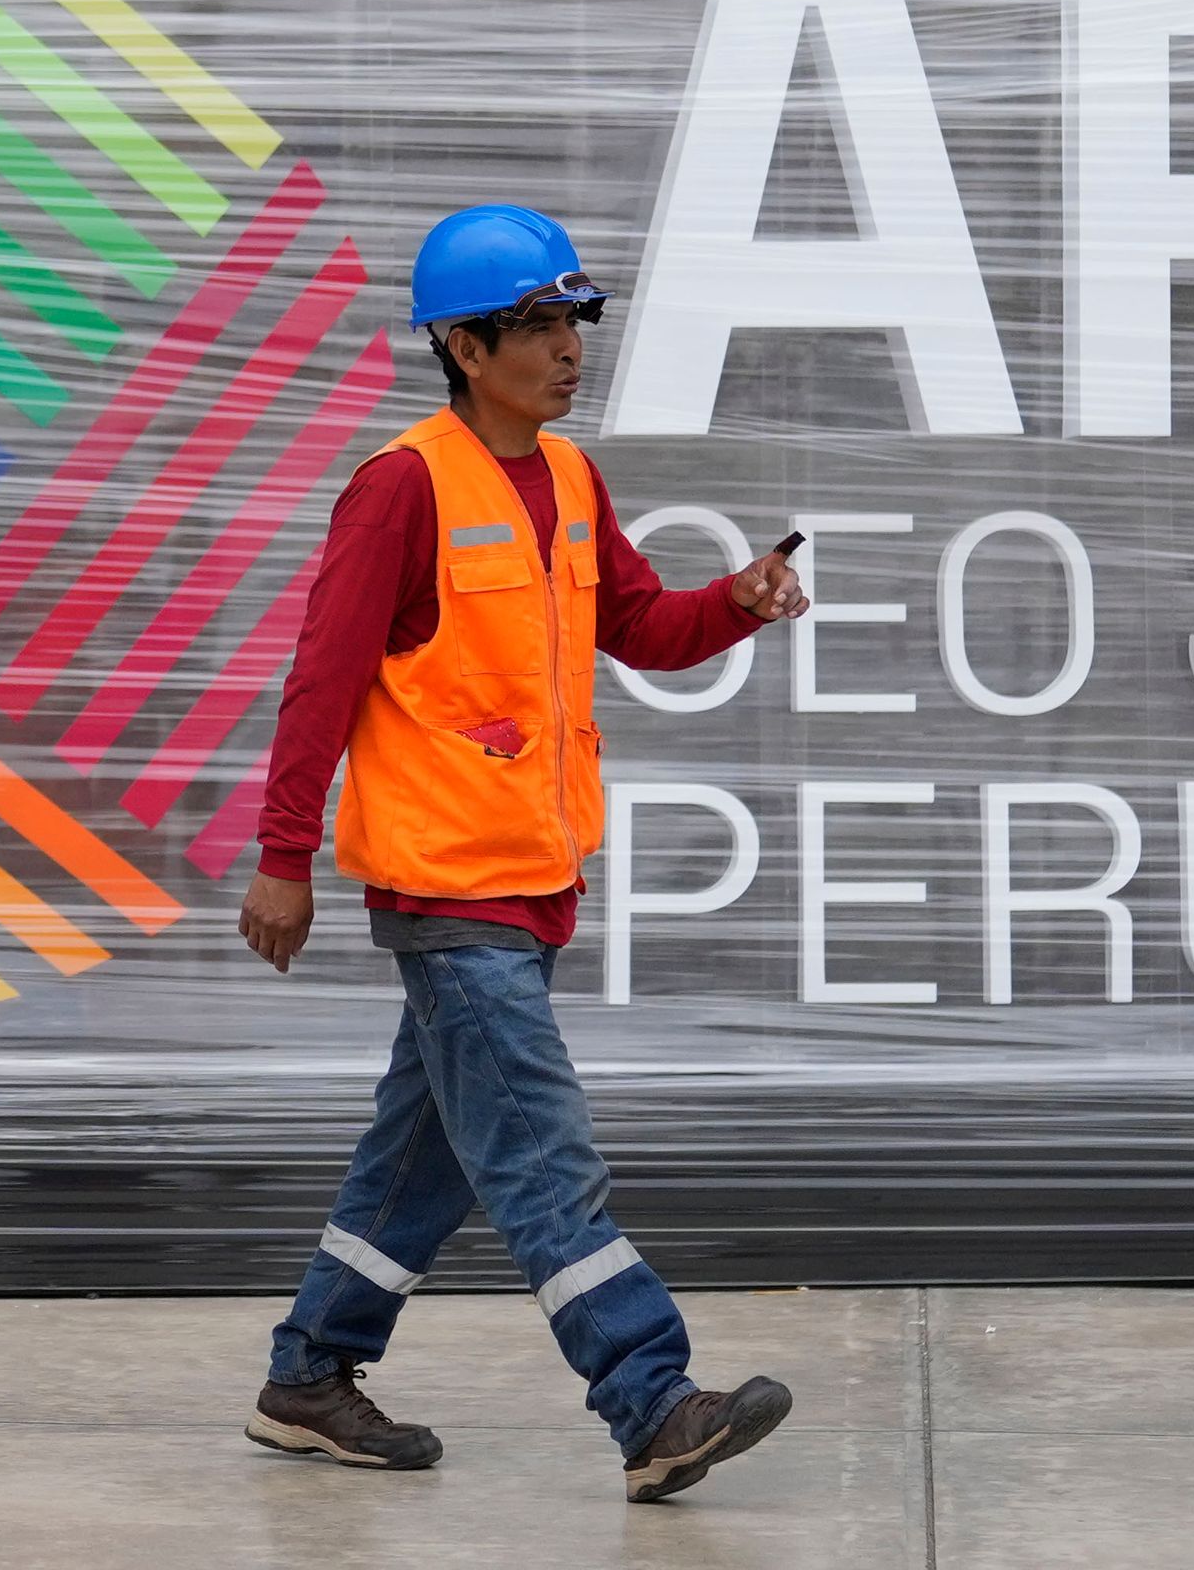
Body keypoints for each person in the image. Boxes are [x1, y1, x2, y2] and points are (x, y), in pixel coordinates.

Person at [238, 204, 812, 1506]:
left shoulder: (568, 480)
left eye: (574, 323)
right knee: (543, 1155)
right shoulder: (402, 487)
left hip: (533, 879)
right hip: (448, 885)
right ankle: (650, 1399)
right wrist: (284, 853)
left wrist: (733, 604)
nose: (568, 350)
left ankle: (308, 1378)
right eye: (540, 327)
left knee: (425, 1152)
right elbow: (321, 681)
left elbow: (643, 629)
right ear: (462, 343)